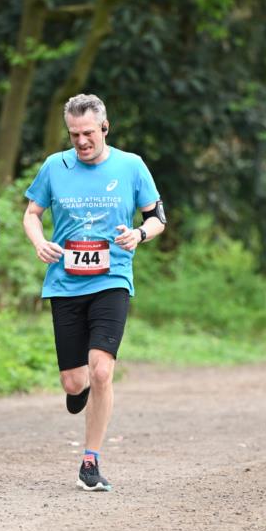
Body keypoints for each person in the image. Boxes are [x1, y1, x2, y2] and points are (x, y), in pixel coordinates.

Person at [23, 93, 166, 492]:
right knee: (74, 382)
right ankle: (78, 388)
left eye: (87, 133)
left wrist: (138, 233)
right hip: (64, 283)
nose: (81, 142)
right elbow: (32, 213)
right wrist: (39, 242)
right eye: (74, 135)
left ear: (104, 128)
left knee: (102, 369)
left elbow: (157, 217)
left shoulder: (131, 166)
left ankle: (91, 460)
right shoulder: (55, 166)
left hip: (111, 279)